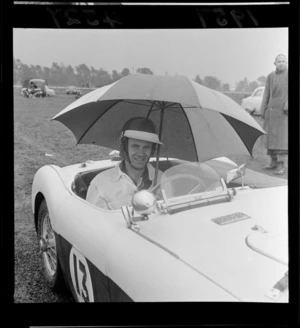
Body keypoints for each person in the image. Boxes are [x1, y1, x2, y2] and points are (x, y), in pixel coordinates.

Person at [86, 117, 163, 210]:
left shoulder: (162, 179)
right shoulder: (100, 184)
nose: (141, 153)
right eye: (135, 146)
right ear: (124, 147)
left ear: (153, 149)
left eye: (146, 147)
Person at [260, 54, 288, 175]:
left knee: (281, 140)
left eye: (283, 61)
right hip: (271, 112)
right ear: (274, 63)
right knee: (270, 138)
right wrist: (263, 109)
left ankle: (281, 165)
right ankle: (273, 162)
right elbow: (266, 93)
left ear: (286, 63)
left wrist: (287, 105)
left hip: (283, 112)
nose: (281, 63)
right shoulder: (270, 76)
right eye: (279, 61)